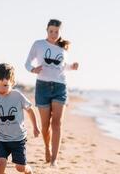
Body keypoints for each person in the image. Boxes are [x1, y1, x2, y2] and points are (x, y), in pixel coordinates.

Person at [25, 19, 79, 167]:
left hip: (60, 87)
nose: (54, 34)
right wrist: (33, 69)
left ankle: (54, 160)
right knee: (45, 126)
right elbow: (27, 63)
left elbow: (62, 66)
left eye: (56, 32)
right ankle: (47, 148)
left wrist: (72, 67)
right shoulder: (39, 44)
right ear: (47, 30)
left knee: (57, 123)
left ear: (60, 32)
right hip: (42, 87)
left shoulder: (63, 48)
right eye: (51, 31)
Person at [0, 63, 40, 174]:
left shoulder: (17, 96)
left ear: (12, 83)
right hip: (2, 139)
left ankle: (28, 169)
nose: (1, 89)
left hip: (18, 139)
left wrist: (35, 127)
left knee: (20, 168)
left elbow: (30, 110)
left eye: (5, 85)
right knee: (0, 163)